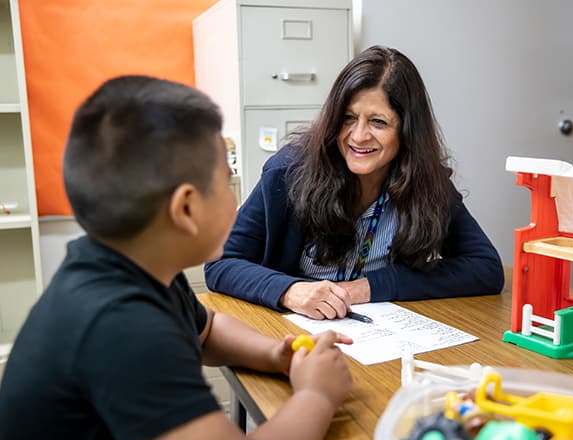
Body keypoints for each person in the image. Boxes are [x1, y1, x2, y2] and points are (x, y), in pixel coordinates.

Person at [0, 76, 353, 440]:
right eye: (226, 182)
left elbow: (207, 330)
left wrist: (273, 355)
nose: (235, 200)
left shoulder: (136, 266)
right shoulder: (121, 325)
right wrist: (317, 395)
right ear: (185, 209)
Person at [204, 45, 504, 320]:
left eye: (378, 122)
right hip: (297, 335)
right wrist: (290, 290)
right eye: (348, 118)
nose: (358, 136)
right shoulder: (288, 172)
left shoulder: (427, 182)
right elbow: (221, 264)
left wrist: (371, 287)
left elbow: (486, 268)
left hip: (382, 334)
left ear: (408, 132)